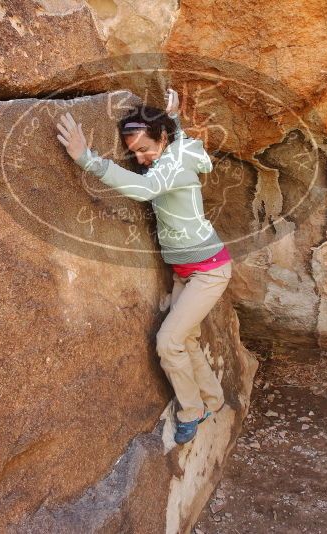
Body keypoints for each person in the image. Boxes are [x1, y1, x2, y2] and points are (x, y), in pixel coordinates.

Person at [55, 88, 232, 445]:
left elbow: (144, 189)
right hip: (187, 270)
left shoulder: (174, 163)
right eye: (133, 153)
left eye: (145, 149)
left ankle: (192, 411)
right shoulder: (174, 148)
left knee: (168, 342)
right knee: (188, 339)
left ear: (162, 137)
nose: (140, 158)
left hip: (209, 271)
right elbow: (171, 151)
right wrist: (175, 121)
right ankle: (213, 400)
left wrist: (88, 159)